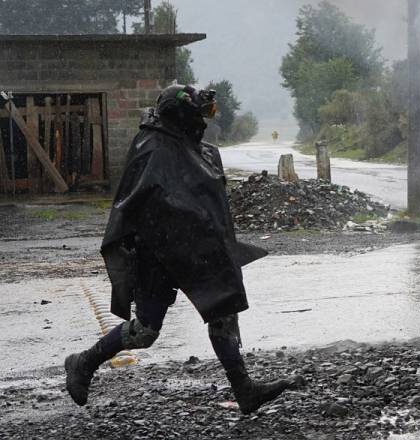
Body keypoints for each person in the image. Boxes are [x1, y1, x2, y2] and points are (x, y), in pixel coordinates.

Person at [64, 84, 295, 414]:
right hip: (156, 253)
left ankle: (243, 388)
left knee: (223, 308)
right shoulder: (151, 146)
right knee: (145, 331)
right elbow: (138, 204)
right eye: (198, 115)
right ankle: (83, 363)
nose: (203, 122)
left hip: (196, 248)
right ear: (182, 116)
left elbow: (207, 200)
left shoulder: (199, 149)